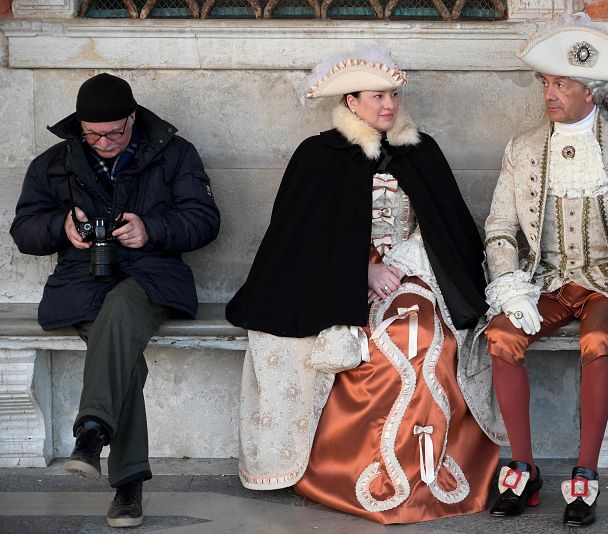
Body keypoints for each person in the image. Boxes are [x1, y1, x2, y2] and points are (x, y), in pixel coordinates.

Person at [225, 44, 500, 524]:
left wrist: (407, 262)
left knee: (423, 337)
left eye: (393, 95)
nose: (389, 105)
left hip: (413, 271)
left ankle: (427, 473)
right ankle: (351, 470)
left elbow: (444, 227)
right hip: (336, 278)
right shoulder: (317, 155)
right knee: (364, 342)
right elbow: (299, 238)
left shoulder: (421, 150)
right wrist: (358, 271)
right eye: (377, 97)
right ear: (350, 102)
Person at [481, 21, 608, 526]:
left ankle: (585, 473)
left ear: (591, 91)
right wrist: (509, 285)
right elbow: (500, 227)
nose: (549, 93)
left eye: (560, 84)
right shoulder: (522, 148)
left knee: (597, 342)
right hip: (545, 280)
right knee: (501, 335)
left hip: (607, 282)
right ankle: (523, 468)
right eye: (545, 83)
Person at [10, 73, 220, 528]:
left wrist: (152, 229)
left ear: (132, 118)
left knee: (122, 311)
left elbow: (204, 221)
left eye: (114, 132)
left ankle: (91, 432)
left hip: (154, 279)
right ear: (79, 126)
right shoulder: (53, 163)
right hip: (81, 284)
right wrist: (60, 227)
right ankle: (126, 485)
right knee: (126, 356)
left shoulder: (175, 154)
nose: (103, 141)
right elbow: (23, 229)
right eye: (92, 133)